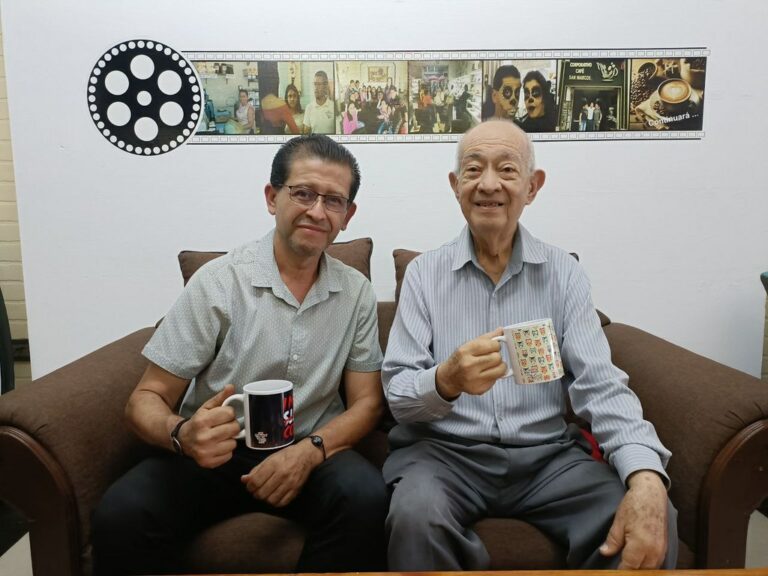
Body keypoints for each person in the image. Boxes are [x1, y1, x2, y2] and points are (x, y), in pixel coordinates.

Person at [382, 119, 678, 572]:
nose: (488, 184)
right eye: (473, 169)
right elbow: (398, 396)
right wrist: (446, 380)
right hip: (445, 456)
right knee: (414, 514)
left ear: (533, 186)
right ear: (455, 185)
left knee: (650, 515)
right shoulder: (424, 275)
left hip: (548, 459)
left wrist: (646, 474)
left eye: (506, 169)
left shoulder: (563, 274)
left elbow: (600, 385)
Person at [92, 135, 387, 575]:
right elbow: (145, 399)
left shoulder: (356, 292)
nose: (317, 211)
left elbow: (367, 403)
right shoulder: (218, 282)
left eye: (333, 200)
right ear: (272, 197)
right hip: (216, 453)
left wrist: (309, 452)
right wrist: (183, 433)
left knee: (365, 498)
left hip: (309, 451)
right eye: (303, 193)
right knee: (122, 513)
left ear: (347, 215)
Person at [258, 62, 300, 135]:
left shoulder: (262, 102)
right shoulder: (281, 105)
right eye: (290, 96)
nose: (292, 99)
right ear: (276, 81)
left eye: (294, 96)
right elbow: (296, 132)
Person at [302, 70, 335, 134]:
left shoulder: (333, 106)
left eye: (319, 84)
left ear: (325, 86)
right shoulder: (309, 107)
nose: (315, 87)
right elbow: (306, 133)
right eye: (315, 84)